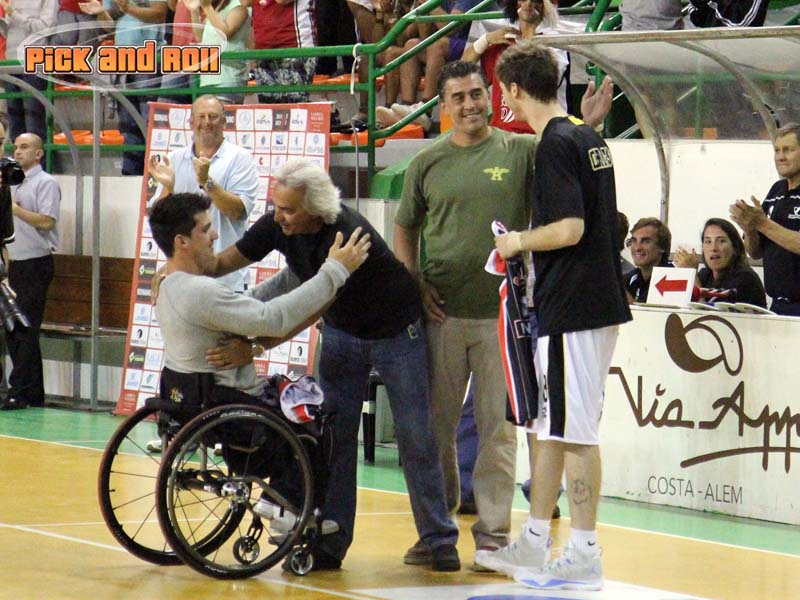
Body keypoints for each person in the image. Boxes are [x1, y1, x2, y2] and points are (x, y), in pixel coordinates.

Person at [197, 158, 461, 572]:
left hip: (396, 334)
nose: (278, 216)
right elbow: (220, 264)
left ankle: (439, 540)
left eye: (288, 209)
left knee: (416, 439)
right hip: (342, 335)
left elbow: (310, 309)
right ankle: (330, 544)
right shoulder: (276, 224)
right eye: (276, 206)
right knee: (333, 441)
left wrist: (255, 347)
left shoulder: (346, 238)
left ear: (316, 210)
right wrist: (178, 272)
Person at [480, 41, 631, 591]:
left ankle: (585, 551)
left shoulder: (556, 145)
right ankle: (535, 539)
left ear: (514, 89)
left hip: (575, 307)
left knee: (576, 432)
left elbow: (570, 229)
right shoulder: (585, 136)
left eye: (501, 90)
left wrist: (517, 241)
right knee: (549, 427)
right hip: (582, 303)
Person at [148, 94, 258, 293]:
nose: (207, 122)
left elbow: (238, 212)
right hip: (183, 277)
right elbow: (159, 220)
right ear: (191, 122)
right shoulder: (174, 159)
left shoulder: (240, 158)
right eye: (201, 116)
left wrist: (206, 182)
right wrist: (168, 189)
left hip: (227, 278)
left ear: (224, 122)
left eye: (213, 117)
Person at [0, 134, 61, 411]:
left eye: (24, 147)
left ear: (38, 153)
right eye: (15, 147)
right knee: (15, 328)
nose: (17, 152)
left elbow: (47, 222)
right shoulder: (10, 182)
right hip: (12, 264)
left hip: (34, 263)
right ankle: (33, 392)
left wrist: (14, 209)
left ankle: (19, 390)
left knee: (24, 327)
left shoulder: (45, 183)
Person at [461, 0, 571, 134]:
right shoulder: (503, 40)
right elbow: (462, 70)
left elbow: (543, 80)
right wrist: (485, 39)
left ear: (547, 6)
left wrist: (529, 37)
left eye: (536, 0)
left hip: (539, 134)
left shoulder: (554, 42)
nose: (529, 4)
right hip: (502, 134)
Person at [731, 122, 800, 316]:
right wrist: (749, 229)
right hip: (778, 306)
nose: (781, 157)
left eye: (788, 150)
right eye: (777, 150)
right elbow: (755, 252)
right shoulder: (776, 191)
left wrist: (762, 223)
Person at [0, 0, 58, 144]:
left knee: (33, 118)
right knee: (14, 118)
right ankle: (18, 156)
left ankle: (38, 157)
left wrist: (14, 14)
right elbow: (9, 30)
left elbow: (46, 28)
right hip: (11, 61)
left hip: (34, 61)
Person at [673, 218, 766, 308]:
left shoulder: (745, 278)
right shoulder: (705, 275)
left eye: (721, 241)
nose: (713, 248)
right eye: (708, 241)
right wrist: (685, 275)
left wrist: (693, 276)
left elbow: (712, 317)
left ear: (735, 248)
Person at [251, 0, 317, 104]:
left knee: (292, 107)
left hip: (294, 48)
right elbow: (244, 3)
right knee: (268, 109)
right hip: (263, 49)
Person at [188, 0, 251, 103]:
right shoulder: (216, 9)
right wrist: (194, 11)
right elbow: (199, 37)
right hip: (208, 77)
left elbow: (226, 33)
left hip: (228, 78)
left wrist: (207, 7)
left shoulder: (238, 7)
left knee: (221, 112)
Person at [623, 217, 672, 303]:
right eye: (634, 241)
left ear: (662, 247)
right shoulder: (631, 278)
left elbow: (654, 310)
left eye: (646, 241)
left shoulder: (673, 278)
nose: (637, 248)